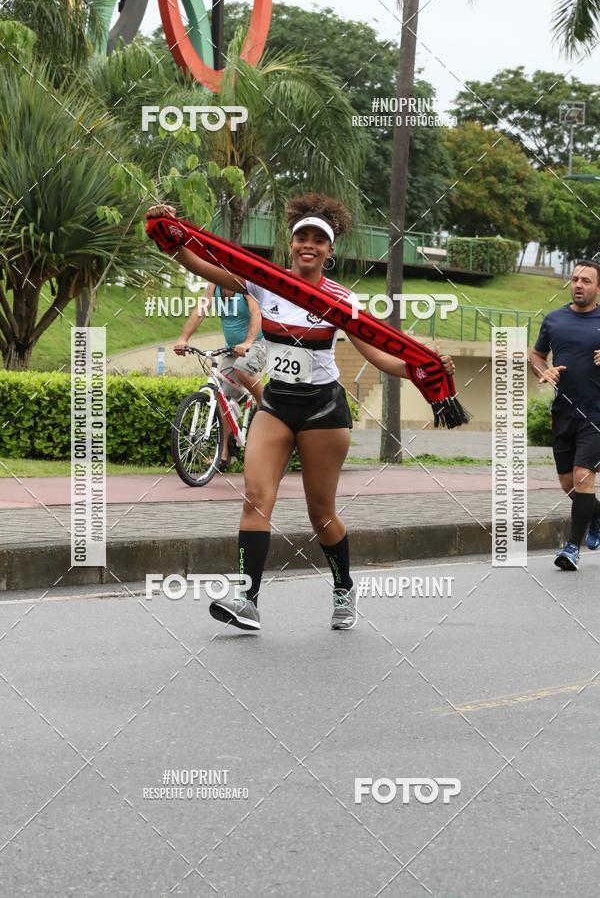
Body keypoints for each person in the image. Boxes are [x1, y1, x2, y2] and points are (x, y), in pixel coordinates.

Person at [147, 193, 456, 631]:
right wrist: (172, 239)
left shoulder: (341, 299)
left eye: (318, 240)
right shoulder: (263, 281)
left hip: (323, 411)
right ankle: (247, 600)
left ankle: (343, 588)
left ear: (329, 251)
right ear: (291, 244)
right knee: (255, 498)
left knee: (321, 514)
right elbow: (203, 266)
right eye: (301, 237)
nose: (308, 245)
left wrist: (424, 368)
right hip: (276, 406)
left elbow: (379, 356)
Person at [529, 258, 600, 570]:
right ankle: (595, 516)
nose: (579, 285)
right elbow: (536, 356)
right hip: (564, 413)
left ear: (598, 287)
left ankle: (572, 547)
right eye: (575, 280)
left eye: (586, 281)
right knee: (568, 484)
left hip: (596, 415)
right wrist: (543, 371)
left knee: (584, 476)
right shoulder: (554, 320)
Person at [174, 282, 265, 470]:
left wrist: (248, 341)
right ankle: (223, 455)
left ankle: (264, 404)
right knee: (223, 398)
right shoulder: (213, 286)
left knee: (241, 368)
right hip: (232, 349)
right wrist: (183, 338)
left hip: (257, 344)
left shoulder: (243, 285)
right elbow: (201, 310)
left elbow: (256, 313)